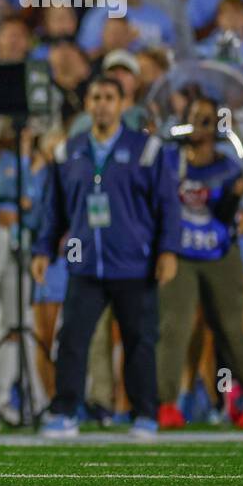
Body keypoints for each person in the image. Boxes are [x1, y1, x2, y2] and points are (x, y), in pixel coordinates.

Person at [31, 76, 181, 438]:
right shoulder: (69, 151)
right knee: (72, 339)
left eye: (109, 97)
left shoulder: (147, 150)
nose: (101, 104)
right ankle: (65, 410)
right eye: (95, 96)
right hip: (85, 263)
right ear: (86, 103)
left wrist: (168, 250)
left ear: (122, 104)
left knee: (139, 340)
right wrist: (43, 249)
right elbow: (55, 210)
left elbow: (168, 206)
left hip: (134, 262)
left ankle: (145, 413)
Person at [158, 95, 243, 429]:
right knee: (175, 327)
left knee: (230, 328)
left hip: (220, 253)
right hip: (181, 254)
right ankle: (166, 403)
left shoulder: (228, 166)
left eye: (207, 119)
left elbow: (225, 217)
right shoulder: (169, 160)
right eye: (195, 117)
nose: (200, 126)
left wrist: (236, 194)